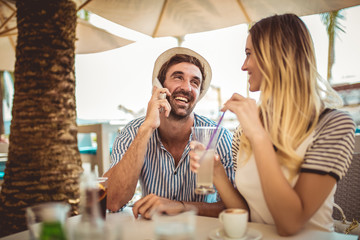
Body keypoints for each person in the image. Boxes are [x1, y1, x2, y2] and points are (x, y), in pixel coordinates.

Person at [190, 14, 356, 236]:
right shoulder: (244, 132)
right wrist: (217, 173)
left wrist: (259, 136)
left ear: (277, 56)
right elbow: (247, 214)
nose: (243, 66)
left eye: (249, 54)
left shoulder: (333, 125)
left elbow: (290, 223)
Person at [104, 47, 234, 219]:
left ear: (199, 93)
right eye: (178, 77)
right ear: (159, 86)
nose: (187, 87)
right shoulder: (133, 132)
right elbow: (113, 201)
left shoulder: (219, 137)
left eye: (195, 82)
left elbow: (235, 207)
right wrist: (147, 128)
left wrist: (181, 207)